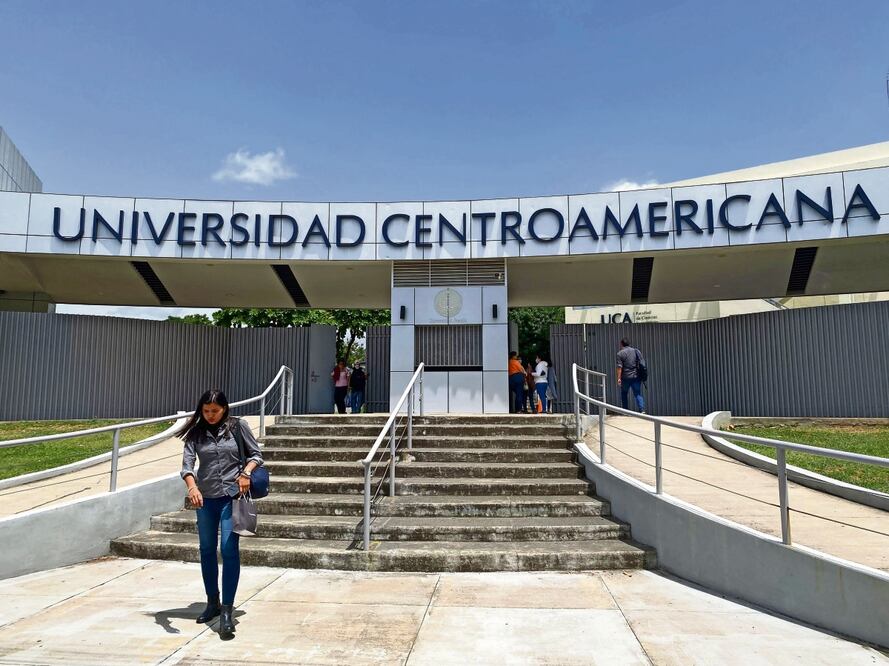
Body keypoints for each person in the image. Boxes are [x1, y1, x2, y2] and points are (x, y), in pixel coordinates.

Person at [178, 389, 264, 638]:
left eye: (215, 411)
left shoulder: (238, 427)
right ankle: (212, 602)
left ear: (225, 409)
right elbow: (187, 465)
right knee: (206, 549)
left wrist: (246, 473)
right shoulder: (195, 432)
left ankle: (227, 610)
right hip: (205, 499)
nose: (210, 415)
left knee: (228, 549)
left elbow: (257, 455)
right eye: (206, 411)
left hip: (232, 496)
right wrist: (192, 486)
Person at [616, 337, 646, 413]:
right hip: (636, 377)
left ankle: (625, 411)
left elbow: (620, 367)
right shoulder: (635, 351)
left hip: (625, 378)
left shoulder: (620, 353)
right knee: (637, 393)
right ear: (629, 344)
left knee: (624, 393)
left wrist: (619, 378)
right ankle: (642, 410)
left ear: (621, 344)